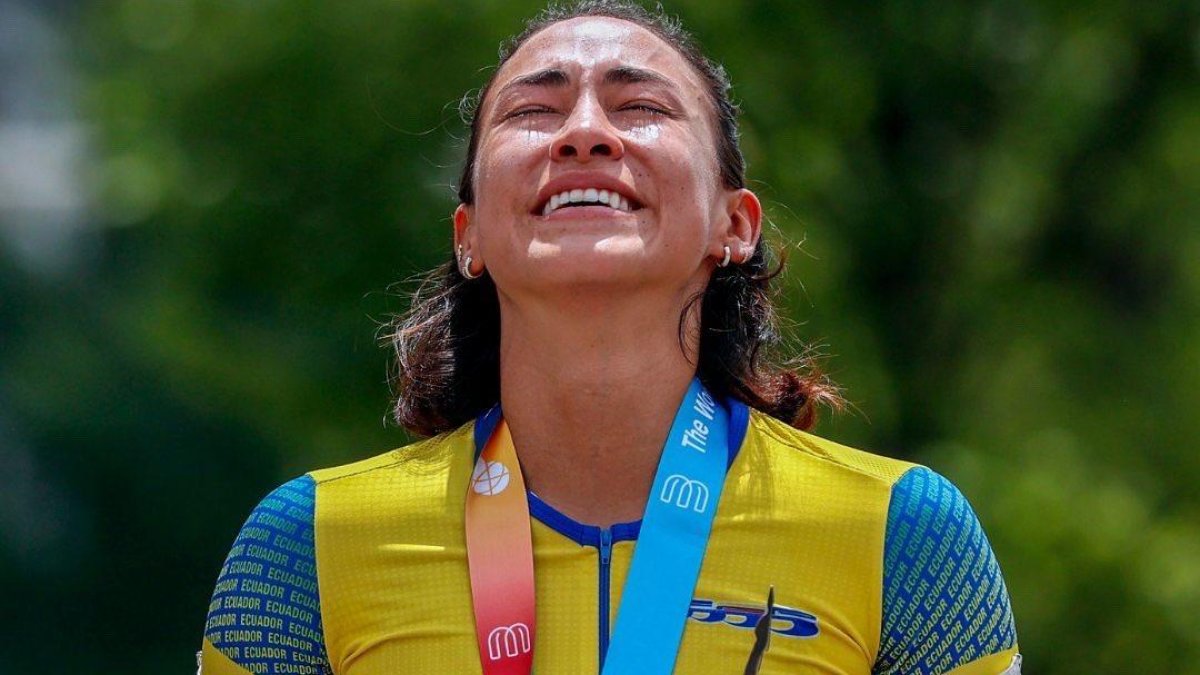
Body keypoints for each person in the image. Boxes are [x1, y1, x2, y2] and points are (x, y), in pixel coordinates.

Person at [197, 1, 1021, 673]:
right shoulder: (309, 542)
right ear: (469, 235)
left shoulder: (900, 532)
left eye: (642, 107)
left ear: (733, 225)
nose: (584, 133)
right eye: (533, 111)